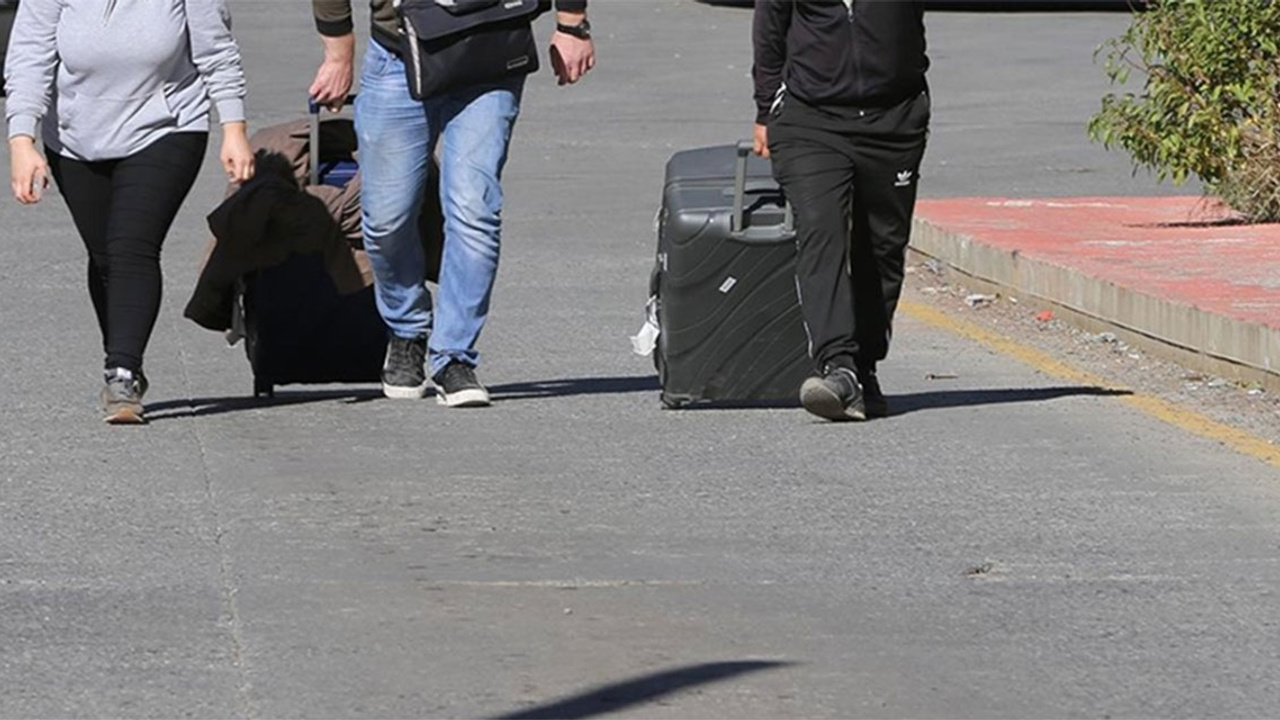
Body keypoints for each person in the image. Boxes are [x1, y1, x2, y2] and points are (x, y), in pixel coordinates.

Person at [309, 0, 595, 407]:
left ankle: (454, 356)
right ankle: (407, 329)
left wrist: (572, 25)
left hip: (490, 53)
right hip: (398, 56)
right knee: (387, 219)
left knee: (475, 209)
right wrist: (338, 53)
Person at [6, 0, 255, 424]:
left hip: (168, 126)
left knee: (131, 247)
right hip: (75, 136)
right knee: (106, 257)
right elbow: (29, 53)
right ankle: (121, 357)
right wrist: (21, 139)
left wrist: (234, 129)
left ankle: (122, 372)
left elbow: (217, 50)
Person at [752, 0, 930, 422]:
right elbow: (770, 27)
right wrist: (766, 110)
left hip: (895, 117)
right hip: (810, 118)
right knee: (821, 231)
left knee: (882, 248)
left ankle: (864, 365)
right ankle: (838, 366)